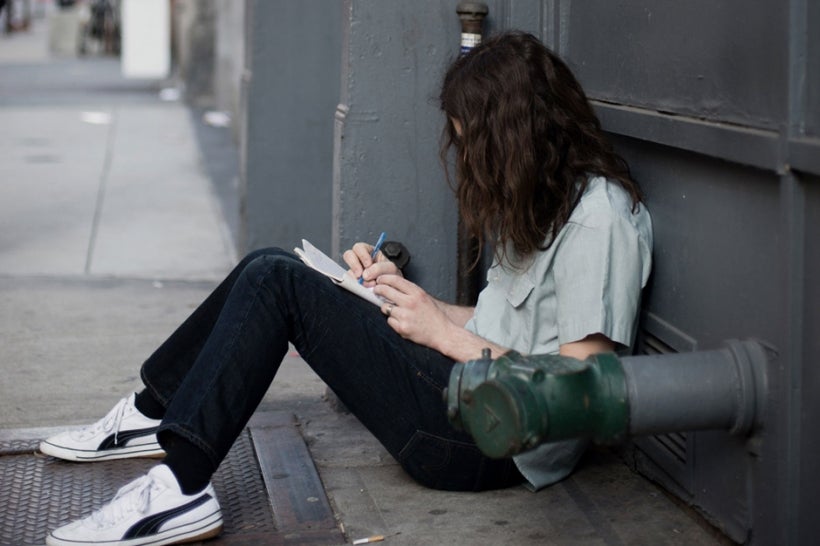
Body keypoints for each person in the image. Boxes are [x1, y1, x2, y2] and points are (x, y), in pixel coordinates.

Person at [41, 31, 652, 546]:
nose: (470, 164)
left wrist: (441, 336)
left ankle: (179, 487)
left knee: (277, 280)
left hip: (486, 443)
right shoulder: (544, 201)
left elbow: (582, 390)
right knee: (274, 264)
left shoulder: (599, 219)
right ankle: (156, 413)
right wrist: (417, 304)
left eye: (476, 146)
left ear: (516, 135)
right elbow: (503, 324)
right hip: (462, 393)